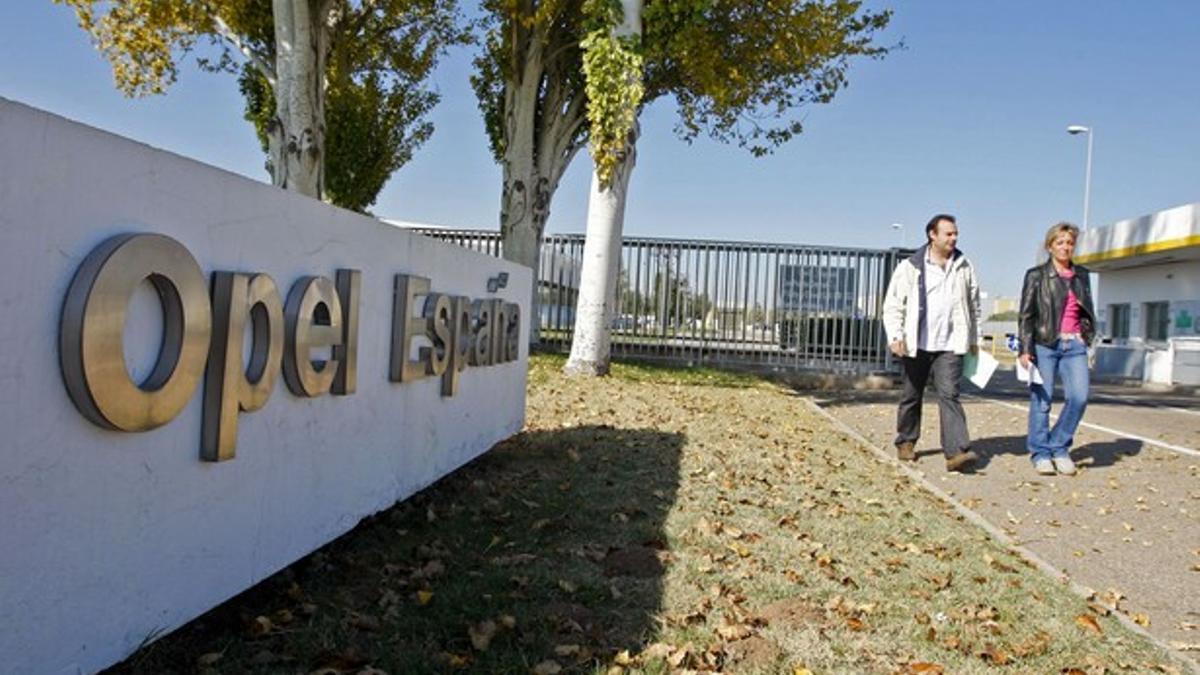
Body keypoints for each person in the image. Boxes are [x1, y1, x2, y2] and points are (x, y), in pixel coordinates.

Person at [883, 214, 982, 472]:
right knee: (911, 395)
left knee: (950, 395)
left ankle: (956, 452)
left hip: (950, 345)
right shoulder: (910, 267)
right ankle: (906, 441)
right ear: (932, 235)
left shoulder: (964, 266)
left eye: (955, 233)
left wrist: (974, 338)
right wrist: (895, 336)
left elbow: (974, 307)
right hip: (916, 343)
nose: (954, 238)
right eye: (948, 234)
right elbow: (893, 305)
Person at [1018, 222, 1096, 476]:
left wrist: (1086, 337)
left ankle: (1059, 447)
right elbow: (1026, 315)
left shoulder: (1082, 275)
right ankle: (1040, 453)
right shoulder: (1036, 275)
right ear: (1050, 246)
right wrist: (1025, 348)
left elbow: (1087, 311)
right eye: (1060, 242)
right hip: (1045, 344)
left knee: (1079, 397)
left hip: (1074, 345)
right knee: (1042, 400)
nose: (1065, 247)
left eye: (1070, 242)